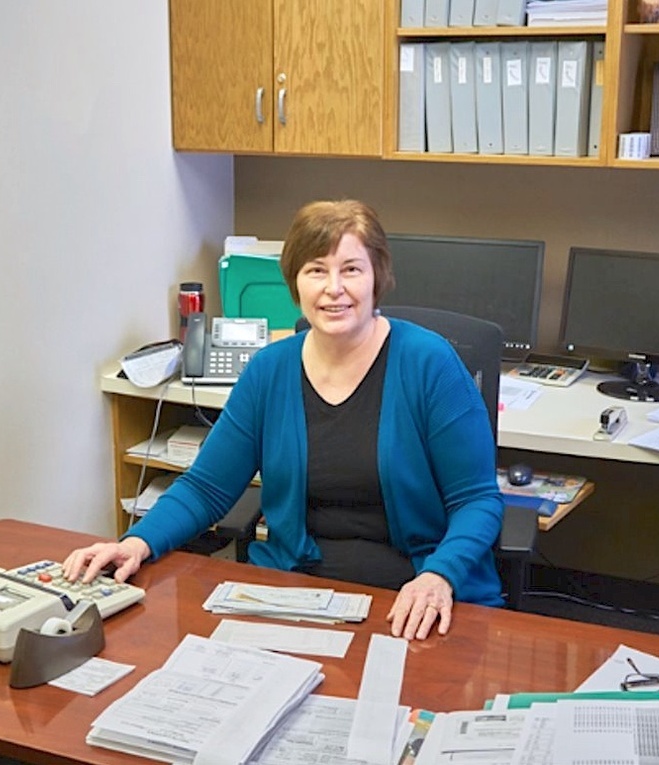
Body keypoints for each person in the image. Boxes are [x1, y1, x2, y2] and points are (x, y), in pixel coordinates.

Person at [62, 200, 505, 641]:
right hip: (295, 595)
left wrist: (439, 576)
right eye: (316, 270)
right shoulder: (269, 370)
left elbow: (478, 500)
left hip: (413, 597)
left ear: (378, 278)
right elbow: (206, 488)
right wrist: (136, 543)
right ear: (295, 281)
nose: (334, 288)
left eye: (351, 269)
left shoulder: (430, 364)